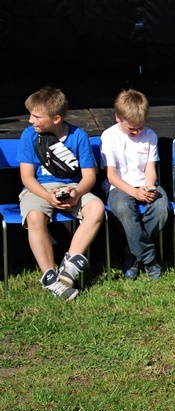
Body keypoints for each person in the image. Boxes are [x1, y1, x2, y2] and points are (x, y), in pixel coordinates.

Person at [17, 86, 104, 300]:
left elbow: (89, 177)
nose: (30, 120)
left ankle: (69, 267)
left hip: (72, 187)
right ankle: (50, 276)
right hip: (39, 189)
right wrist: (48, 197)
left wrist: (76, 193)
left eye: (36, 116)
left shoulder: (78, 136)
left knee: (97, 207)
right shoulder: (29, 135)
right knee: (35, 217)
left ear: (56, 119)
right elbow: (27, 177)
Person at [101, 89, 168, 280]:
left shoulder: (150, 135)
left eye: (140, 127)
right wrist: (134, 192)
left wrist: (149, 188)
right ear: (117, 118)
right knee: (123, 208)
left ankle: (132, 253)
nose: (137, 132)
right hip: (120, 186)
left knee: (161, 207)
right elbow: (112, 176)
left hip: (143, 183)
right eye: (131, 129)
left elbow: (149, 169)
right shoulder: (109, 136)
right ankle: (149, 259)